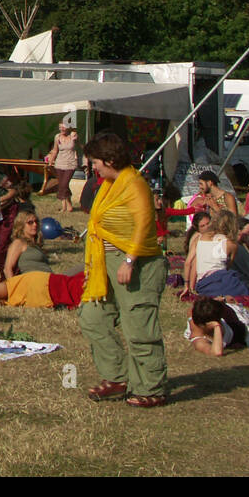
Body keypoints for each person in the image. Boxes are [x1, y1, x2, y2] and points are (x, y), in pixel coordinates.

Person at [78, 132, 167, 408]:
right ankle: (117, 378)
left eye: (96, 162)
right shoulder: (108, 184)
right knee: (93, 317)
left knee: (139, 326)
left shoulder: (134, 184)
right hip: (106, 265)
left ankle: (152, 387)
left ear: (110, 160)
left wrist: (129, 260)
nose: (93, 167)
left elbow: (144, 224)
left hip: (137, 263)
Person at [185, 209, 245, 297]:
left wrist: (187, 286)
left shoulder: (199, 238)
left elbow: (189, 263)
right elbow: (228, 266)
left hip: (203, 284)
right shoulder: (231, 244)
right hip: (223, 279)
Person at [184, 295, 249, 358]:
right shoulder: (199, 340)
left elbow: (197, 307)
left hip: (232, 313)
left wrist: (223, 298)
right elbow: (217, 352)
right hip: (242, 329)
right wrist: (217, 326)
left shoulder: (197, 313)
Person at [45, 120, 82, 218]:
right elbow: (55, 150)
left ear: (68, 127)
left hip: (71, 164)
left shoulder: (73, 135)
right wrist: (50, 162)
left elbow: (80, 146)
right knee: (62, 184)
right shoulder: (57, 137)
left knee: (64, 184)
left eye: (63, 127)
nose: (61, 129)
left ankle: (65, 206)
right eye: (60, 127)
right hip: (59, 164)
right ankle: (67, 206)